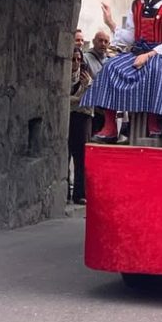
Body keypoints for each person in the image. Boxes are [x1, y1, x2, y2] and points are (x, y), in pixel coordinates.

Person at [82, 0, 162, 142]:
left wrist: (150, 54)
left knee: (156, 69)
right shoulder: (136, 5)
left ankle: (154, 122)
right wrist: (111, 23)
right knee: (110, 66)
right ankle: (110, 125)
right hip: (137, 52)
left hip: (160, 54)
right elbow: (131, 35)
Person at [69, 47, 93, 204]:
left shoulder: (86, 78)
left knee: (81, 156)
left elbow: (86, 100)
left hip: (82, 118)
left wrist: (84, 88)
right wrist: (78, 97)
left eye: (79, 59)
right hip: (70, 117)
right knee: (66, 154)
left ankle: (79, 193)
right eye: (73, 59)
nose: (76, 63)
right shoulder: (64, 77)